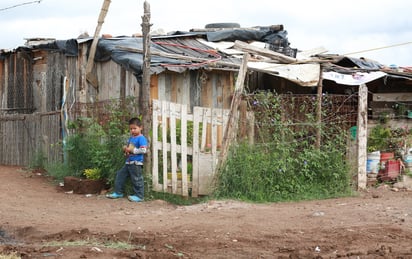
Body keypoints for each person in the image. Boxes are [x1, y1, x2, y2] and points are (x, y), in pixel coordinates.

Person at [106, 117, 148, 202]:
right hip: (128, 162)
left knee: (137, 179)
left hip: (136, 163)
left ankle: (140, 196)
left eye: (135, 128)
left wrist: (132, 150)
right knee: (120, 175)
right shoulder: (131, 138)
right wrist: (126, 150)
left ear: (140, 128)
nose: (132, 130)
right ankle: (118, 192)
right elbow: (129, 148)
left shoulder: (141, 138)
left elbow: (143, 150)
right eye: (131, 129)